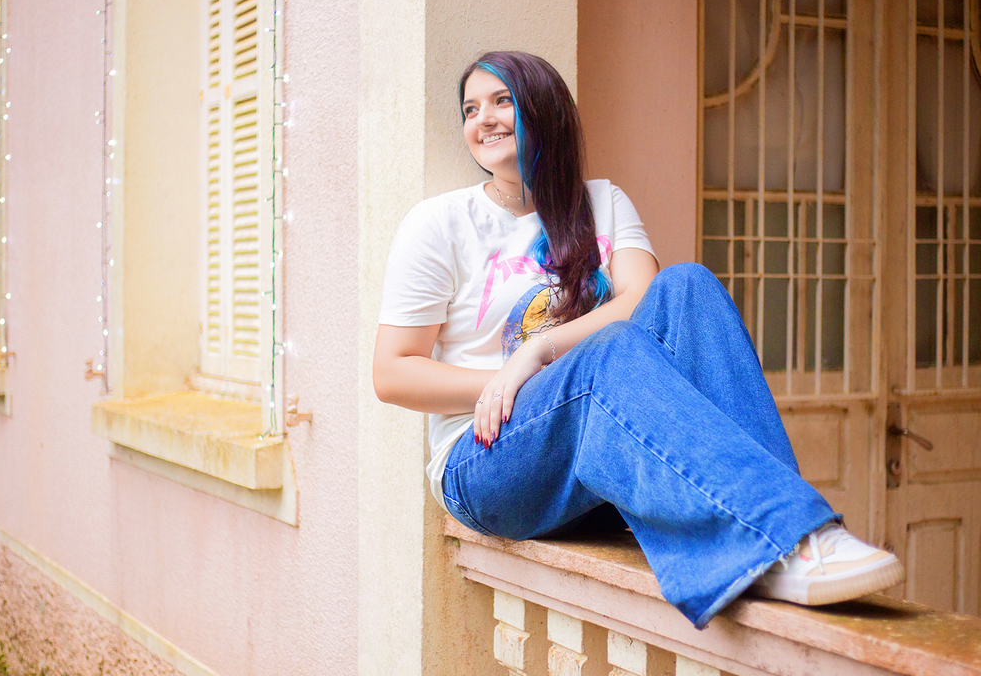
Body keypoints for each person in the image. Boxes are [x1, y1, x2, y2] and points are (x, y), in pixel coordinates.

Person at [372, 51, 904, 629]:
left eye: (503, 100)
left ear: (546, 110)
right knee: (611, 351)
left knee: (688, 285)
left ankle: (780, 542)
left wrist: (537, 352)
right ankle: (785, 534)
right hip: (490, 461)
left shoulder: (601, 200)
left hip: (595, 466)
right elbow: (392, 372)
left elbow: (644, 301)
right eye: (471, 108)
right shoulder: (439, 224)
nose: (484, 119)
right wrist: (513, 386)